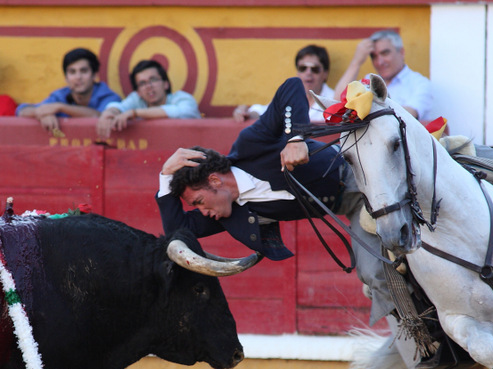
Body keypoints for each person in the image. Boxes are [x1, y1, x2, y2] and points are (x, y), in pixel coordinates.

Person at [157, 77, 393, 326]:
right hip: (350, 206)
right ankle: (419, 335)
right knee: (372, 273)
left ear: (214, 181)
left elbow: (291, 86)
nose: (203, 212)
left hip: (362, 169)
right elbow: (177, 232)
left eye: (199, 201)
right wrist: (164, 176)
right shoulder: (231, 216)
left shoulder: (251, 145)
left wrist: (296, 138)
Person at [333, 30, 433, 121]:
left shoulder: (420, 83)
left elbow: (408, 114)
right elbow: (337, 104)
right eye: (374, 56)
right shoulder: (369, 80)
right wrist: (356, 62)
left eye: (385, 53)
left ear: (401, 52)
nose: (379, 62)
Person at [16, 48, 121, 133]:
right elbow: (21, 110)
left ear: (95, 75)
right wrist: (41, 114)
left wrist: (61, 107)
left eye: (83, 71)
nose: (78, 77)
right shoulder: (60, 95)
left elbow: (99, 115)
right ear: (66, 78)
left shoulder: (109, 96)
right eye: (72, 72)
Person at [96, 60, 201, 140]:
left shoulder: (182, 98)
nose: (148, 86)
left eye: (153, 80)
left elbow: (184, 111)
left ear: (166, 84)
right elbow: (119, 107)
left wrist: (135, 113)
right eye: (142, 83)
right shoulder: (136, 99)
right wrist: (109, 113)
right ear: (138, 92)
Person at [233, 45, 334, 123]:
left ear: (325, 73)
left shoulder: (334, 99)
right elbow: (264, 112)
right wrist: (245, 112)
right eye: (303, 68)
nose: (308, 73)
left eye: (315, 69)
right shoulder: (289, 97)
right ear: (297, 72)